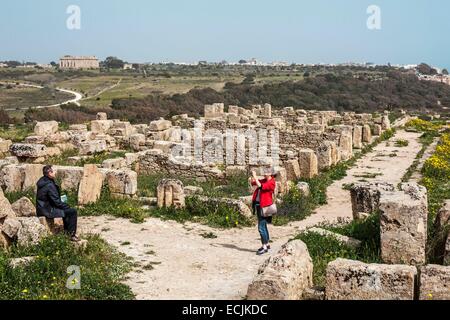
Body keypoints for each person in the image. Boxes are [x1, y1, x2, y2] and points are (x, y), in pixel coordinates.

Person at [36, 165, 80, 242]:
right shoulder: (49, 185)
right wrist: (66, 205)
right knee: (72, 211)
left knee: (66, 210)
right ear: (49, 173)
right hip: (47, 210)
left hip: (42, 207)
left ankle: (67, 232)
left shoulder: (43, 180)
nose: (56, 173)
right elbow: (56, 202)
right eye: (54, 171)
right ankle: (71, 235)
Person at [249, 167, 277, 255]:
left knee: (261, 227)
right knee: (264, 225)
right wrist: (252, 177)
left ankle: (264, 246)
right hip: (259, 205)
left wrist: (255, 176)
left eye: (266, 172)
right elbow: (254, 183)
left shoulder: (272, 182)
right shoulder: (264, 180)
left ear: (271, 174)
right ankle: (267, 244)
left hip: (265, 207)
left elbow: (261, 186)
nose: (264, 173)